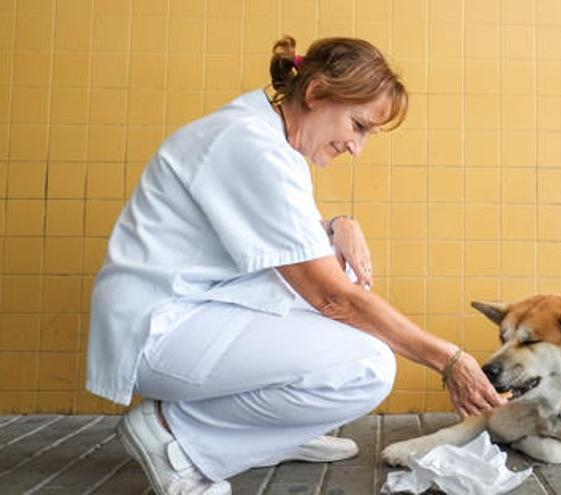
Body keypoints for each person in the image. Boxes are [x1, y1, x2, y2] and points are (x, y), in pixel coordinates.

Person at [86, 36, 506, 495]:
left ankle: (267, 437)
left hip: (193, 309)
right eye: (359, 125)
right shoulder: (250, 145)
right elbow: (330, 297)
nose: (356, 147)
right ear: (316, 92)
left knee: (343, 275)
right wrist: (449, 359)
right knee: (365, 365)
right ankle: (174, 436)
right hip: (160, 328)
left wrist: (336, 225)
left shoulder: (267, 137)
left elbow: (272, 239)